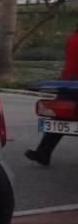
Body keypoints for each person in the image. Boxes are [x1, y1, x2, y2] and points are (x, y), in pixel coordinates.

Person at [26, 26, 78, 166]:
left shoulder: (73, 38)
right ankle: (43, 153)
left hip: (68, 83)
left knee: (60, 118)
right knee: (59, 119)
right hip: (72, 83)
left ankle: (43, 153)